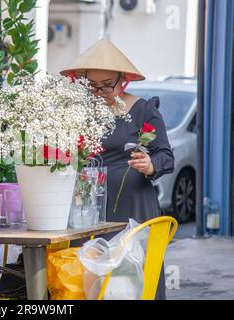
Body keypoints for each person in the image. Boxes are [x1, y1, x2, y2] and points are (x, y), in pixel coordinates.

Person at [60, 38, 174, 300]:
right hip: (87, 206)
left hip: (132, 207)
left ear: (123, 81)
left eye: (107, 86)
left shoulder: (143, 110)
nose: (99, 93)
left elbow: (166, 155)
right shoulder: (80, 112)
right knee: (89, 277)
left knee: (131, 277)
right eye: (92, 86)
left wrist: (150, 165)